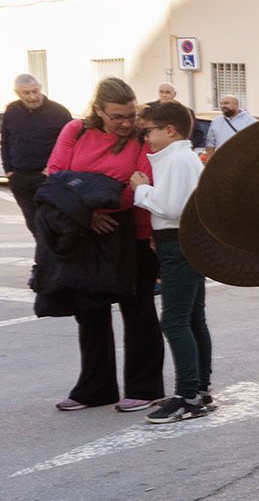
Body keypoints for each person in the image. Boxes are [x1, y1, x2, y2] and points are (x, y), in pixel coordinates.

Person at [42, 77, 164, 412]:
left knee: (138, 310)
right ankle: (95, 389)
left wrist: (94, 202)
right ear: (99, 111)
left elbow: (136, 185)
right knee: (90, 311)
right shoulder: (76, 130)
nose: (126, 123)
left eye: (130, 115)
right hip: (85, 231)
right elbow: (55, 176)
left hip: (134, 232)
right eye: (117, 117)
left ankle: (145, 387)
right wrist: (89, 213)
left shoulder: (142, 137)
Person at [129, 99, 213, 423]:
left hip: (178, 245)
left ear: (170, 129)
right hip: (184, 243)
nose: (145, 137)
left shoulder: (177, 159)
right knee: (193, 318)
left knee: (175, 321)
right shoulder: (181, 157)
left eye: (148, 130)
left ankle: (187, 397)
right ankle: (199, 389)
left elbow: (171, 207)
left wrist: (141, 189)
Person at [3, 74, 72, 253]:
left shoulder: (59, 112)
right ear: (17, 93)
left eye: (35, 91)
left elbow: (71, 144)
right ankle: (45, 262)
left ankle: (50, 261)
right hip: (19, 178)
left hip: (47, 177)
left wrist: (53, 168)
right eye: (27, 93)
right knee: (33, 224)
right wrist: (9, 169)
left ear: (40, 87)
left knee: (51, 223)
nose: (33, 96)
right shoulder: (12, 111)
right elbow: (6, 141)